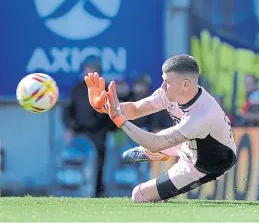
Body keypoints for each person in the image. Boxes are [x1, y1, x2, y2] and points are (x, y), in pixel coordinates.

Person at [84, 54, 237, 202]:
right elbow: (136, 109)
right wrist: (104, 106)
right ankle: (159, 153)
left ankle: (157, 154)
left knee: (138, 195)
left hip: (206, 164)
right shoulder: (169, 93)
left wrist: (120, 120)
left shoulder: (201, 115)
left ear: (185, 84)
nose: (162, 86)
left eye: (167, 82)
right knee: (164, 140)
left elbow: (156, 142)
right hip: (189, 142)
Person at [62, 57, 116, 197]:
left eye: (94, 69)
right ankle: (78, 192)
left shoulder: (105, 88)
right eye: (88, 68)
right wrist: (68, 128)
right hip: (80, 133)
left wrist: (112, 129)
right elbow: (68, 110)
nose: (91, 71)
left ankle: (97, 192)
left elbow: (112, 112)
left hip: (99, 132)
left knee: (98, 163)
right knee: (79, 163)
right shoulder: (77, 88)